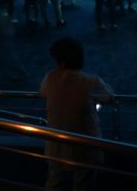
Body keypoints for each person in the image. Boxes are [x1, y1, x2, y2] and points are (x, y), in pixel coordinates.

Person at [39, 37, 115, 191]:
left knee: (54, 182)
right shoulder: (91, 82)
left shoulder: (50, 77)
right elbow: (110, 97)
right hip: (85, 146)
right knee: (84, 184)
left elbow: (42, 93)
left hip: (55, 145)